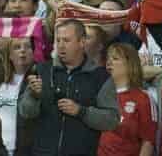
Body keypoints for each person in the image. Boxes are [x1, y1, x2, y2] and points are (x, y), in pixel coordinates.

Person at [18, 20, 119, 156]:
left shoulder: (101, 77)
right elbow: (25, 112)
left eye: (66, 40)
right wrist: (34, 96)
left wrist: (81, 111)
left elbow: (112, 120)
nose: (61, 46)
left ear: (82, 42)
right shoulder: (42, 70)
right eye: (58, 40)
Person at [96, 43, 155, 156]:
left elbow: (148, 142)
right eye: (108, 58)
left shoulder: (143, 99)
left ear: (130, 64)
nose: (109, 62)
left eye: (115, 58)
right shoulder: (103, 94)